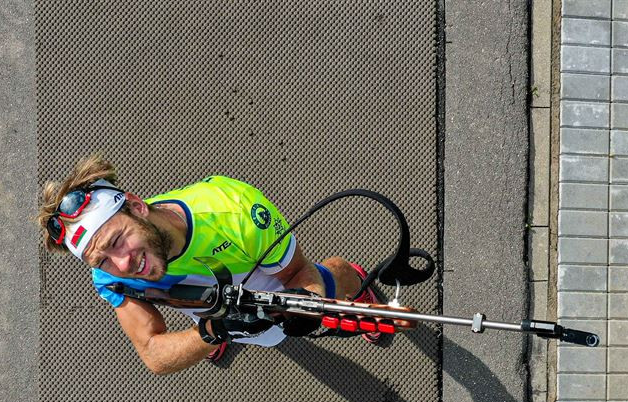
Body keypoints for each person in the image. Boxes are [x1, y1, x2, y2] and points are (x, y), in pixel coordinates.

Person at [38, 154, 380, 374]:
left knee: (330, 281)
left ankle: (356, 284)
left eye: (117, 240)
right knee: (248, 334)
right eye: (102, 259)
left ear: (137, 206)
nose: (123, 263)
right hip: (207, 308)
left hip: (254, 270)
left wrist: (310, 302)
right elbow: (153, 354)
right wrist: (214, 333)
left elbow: (296, 272)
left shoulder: (235, 212)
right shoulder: (110, 275)